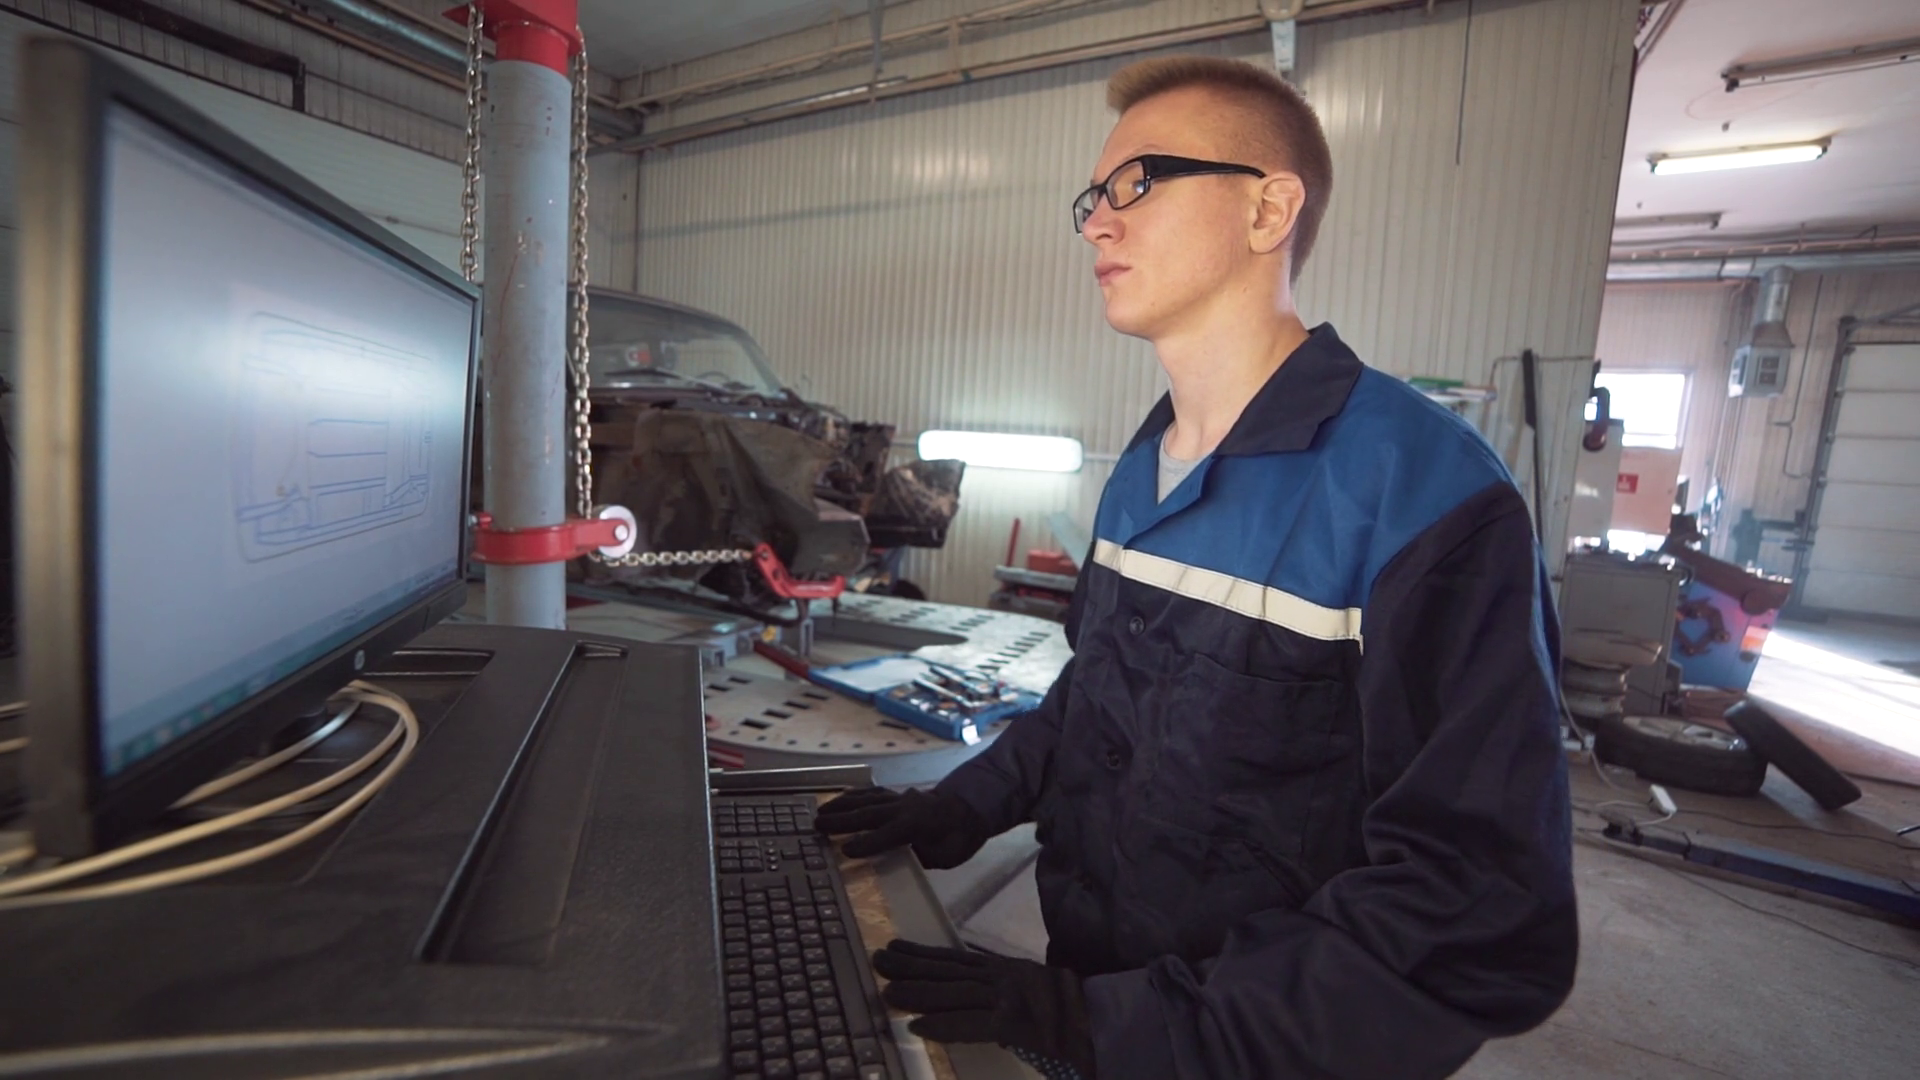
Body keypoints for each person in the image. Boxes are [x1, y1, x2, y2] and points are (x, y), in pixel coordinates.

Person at [816, 55, 1578, 1080]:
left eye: (1137, 183)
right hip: (1096, 1004)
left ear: (1268, 210)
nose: (1096, 225)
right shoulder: (1145, 465)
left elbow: (1473, 913)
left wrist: (1101, 1027)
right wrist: (964, 804)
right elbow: (1098, 702)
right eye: (1093, 197)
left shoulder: (1429, 497)